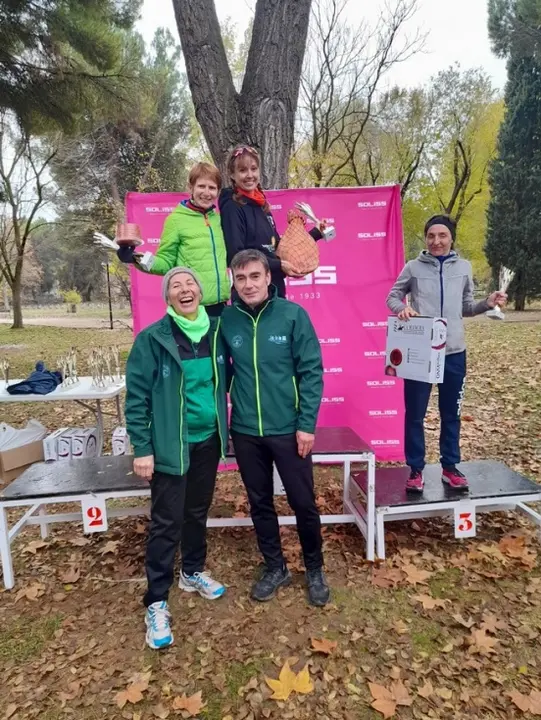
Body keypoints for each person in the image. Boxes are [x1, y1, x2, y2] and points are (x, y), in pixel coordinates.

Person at [125, 267, 229, 650]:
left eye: (190, 284)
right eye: (175, 286)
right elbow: (137, 398)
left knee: (197, 511)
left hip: (208, 441)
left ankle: (193, 571)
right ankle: (156, 600)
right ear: (168, 297)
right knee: (167, 521)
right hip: (171, 444)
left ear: (200, 292)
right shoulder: (153, 338)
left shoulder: (216, 333)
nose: (184, 290)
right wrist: (142, 448)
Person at [220, 249, 329, 606]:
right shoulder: (227, 319)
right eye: (241, 278)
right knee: (260, 503)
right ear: (234, 282)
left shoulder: (293, 315)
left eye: (255, 276)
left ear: (269, 277)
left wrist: (306, 425)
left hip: (288, 428)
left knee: (303, 503)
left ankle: (314, 569)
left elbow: (311, 372)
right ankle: (275, 567)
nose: (248, 284)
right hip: (246, 430)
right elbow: (222, 371)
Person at [386, 215, 507, 494]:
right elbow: (392, 297)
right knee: (415, 415)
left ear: (451, 238)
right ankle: (415, 470)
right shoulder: (413, 267)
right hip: (420, 352)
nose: (436, 241)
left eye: (442, 235)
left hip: (453, 352)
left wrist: (486, 303)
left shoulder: (464, 267)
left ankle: (450, 468)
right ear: (426, 238)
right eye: (431, 236)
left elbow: (466, 307)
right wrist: (402, 308)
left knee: (451, 414)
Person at [118, 162, 230, 317]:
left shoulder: (219, 220)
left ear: (218, 191)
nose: (206, 192)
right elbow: (165, 263)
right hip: (192, 306)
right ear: (191, 187)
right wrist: (135, 258)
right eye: (201, 186)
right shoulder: (176, 220)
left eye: (212, 187)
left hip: (221, 306)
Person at [219, 145, 326, 298]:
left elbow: (278, 248)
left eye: (254, 169)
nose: (250, 175)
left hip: (274, 288)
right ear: (232, 174)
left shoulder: (262, 204)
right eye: (242, 170)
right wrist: (278, 264)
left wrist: (316, 233)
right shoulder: (232, 207)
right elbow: (236, 255)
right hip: (252, 293)